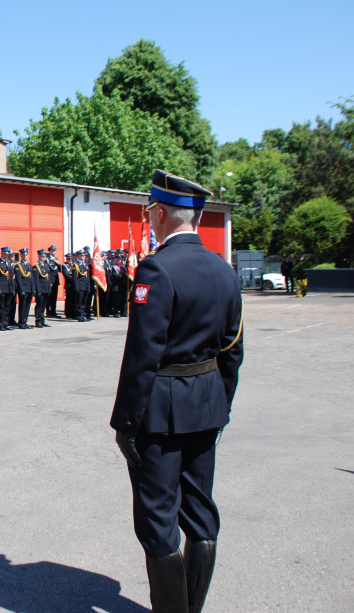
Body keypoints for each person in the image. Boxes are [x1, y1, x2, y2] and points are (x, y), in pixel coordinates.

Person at [110, 170, 244, 613]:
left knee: (157, 516)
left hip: (161, 411)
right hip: (206, 406)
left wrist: (126, 422)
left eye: (151, 212)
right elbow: (232, 350)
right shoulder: (224, 271)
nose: (150, 219)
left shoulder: (157, 268)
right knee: (200, 512)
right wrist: (218, 404)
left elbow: (142, 355)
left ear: (162, 213)